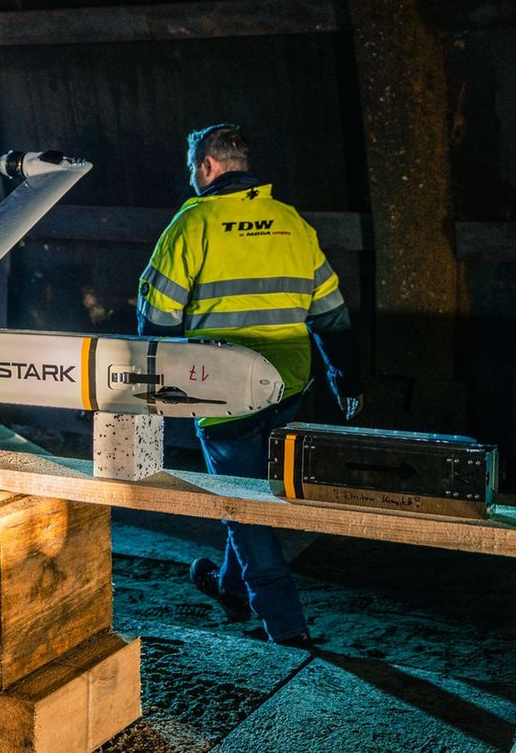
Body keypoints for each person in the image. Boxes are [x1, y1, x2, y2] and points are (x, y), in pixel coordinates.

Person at [137, 123, 363, 648]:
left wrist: (157, 392)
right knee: (255, 490)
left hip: (223, 389)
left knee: (240, 505)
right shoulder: (291, 223)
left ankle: (284, 621)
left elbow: (158, 322)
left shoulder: (193, 224)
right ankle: (231, 587)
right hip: (289, 384)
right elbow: (331, 313)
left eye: (193, 168)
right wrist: (346, 377)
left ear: (207, 167)